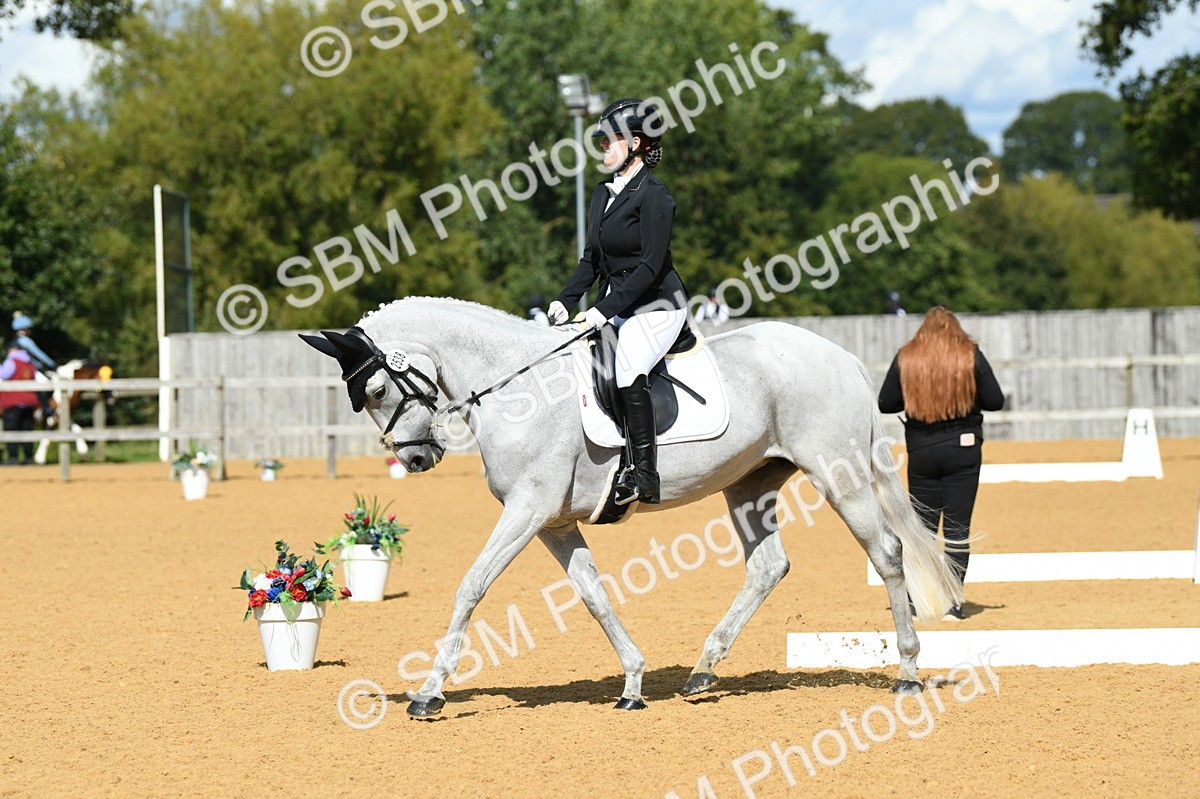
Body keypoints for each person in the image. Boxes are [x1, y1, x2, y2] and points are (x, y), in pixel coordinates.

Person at [546, 97, 690, 505]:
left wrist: (601, 310)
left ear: (637, 143)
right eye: (602, 141)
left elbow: (649, 267)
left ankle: (645, 475)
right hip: (619, 305)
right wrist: (566, 299)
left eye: (610, 140)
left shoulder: (656, 197)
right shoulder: (602, 193)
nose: (603, 147)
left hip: (658, 305)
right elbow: (591, 259)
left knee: (627, 368)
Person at [877, 306, 1004, 619]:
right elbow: (995, 401)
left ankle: (917, 601)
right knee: (958, 529)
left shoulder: (908, 356)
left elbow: (885, 403)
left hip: (922, 450)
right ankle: (953, 603)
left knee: (922, 529)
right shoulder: (969, 355)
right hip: (964, 449)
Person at [1, 343, 40, 465]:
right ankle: (29, 457)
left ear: (12, 350)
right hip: (30, 400)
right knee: (26, 428)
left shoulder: (12, 361)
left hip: (13, 400)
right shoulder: (31, 363)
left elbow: (4, 375)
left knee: (12, 428)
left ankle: (13, 457)